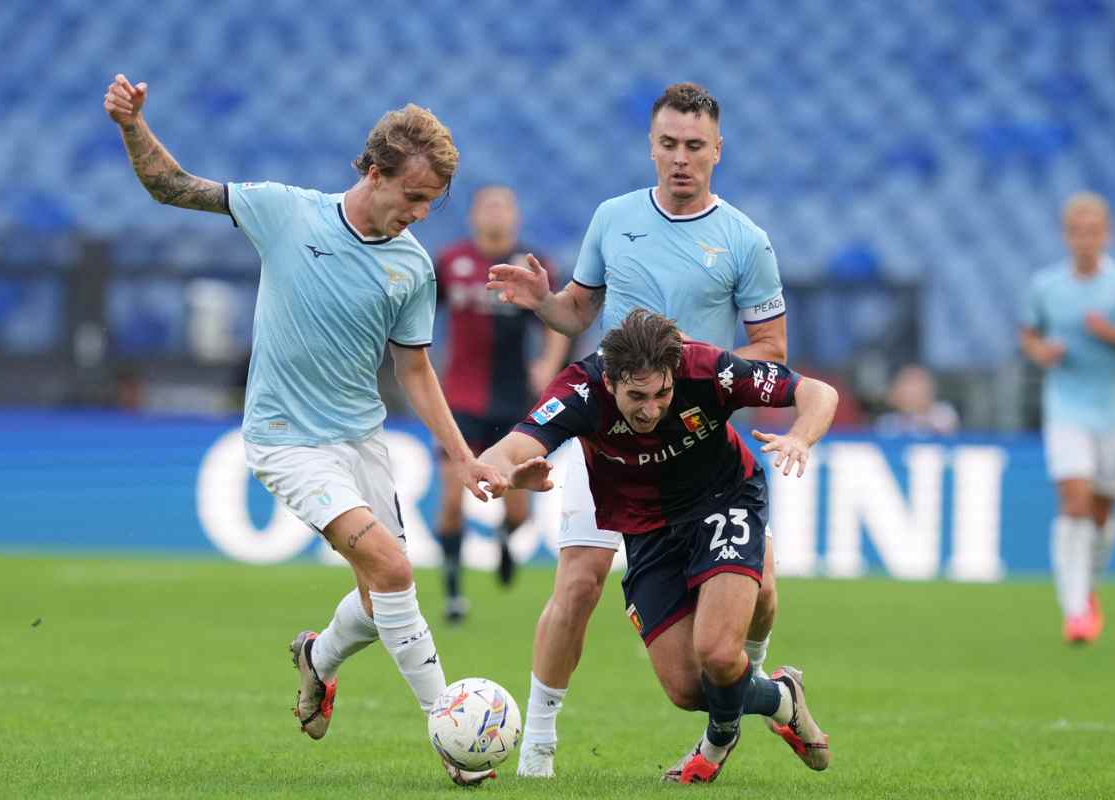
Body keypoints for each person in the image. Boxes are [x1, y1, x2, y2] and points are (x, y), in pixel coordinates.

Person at [103, 74, 507, 786]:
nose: (420, 215)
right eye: (412, 197)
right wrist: (133, 124)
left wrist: (462, 455)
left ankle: (317, 659)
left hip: (363, 443)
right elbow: (171, 186)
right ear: (374, 171)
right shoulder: (285, 212)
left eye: (431, 204)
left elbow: (415, 372)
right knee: (393, 570)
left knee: (386, 602)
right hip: (288, 439)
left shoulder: (412, 267)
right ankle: (450, 731)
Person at [487, 82, 789, 776]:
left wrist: (697, 365)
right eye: (667, 145)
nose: (679, 159)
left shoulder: (745, 239)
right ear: (650, 146)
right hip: (612, 445)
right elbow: (577, 313)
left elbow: (771, 350)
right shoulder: (614, 218)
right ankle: (536, 745)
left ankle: (747, 686)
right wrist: (543, 304)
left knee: (762, 593)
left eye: (694, 147)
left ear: (717, 151)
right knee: (580, 580)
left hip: (696, 449)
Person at [479, 310, 837, 783]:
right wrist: (503, 474)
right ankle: (781, 696)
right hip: (646, 531)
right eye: (637, 397)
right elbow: (508, 449)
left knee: (718, 654)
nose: (651, 409)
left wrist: (800, 436)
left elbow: (818, 392)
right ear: (610, 382)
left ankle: (715, 742)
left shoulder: (707, 370)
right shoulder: (580, 391)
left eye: (663, 393)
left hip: (722, 502)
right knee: (688, 689)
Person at [434, 186, 568, 622]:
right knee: (452, 499)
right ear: (473, 216)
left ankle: (506, 541)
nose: (495, 215)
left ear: (515, 215)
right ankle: (453, 592)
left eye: (503, 207)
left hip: (514, 401)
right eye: (487, 206)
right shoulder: (450, 263)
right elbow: (415, 312)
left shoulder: (532, 265)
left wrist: (547, 363)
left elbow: (557, 321)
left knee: (518, 510)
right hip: (459, 397)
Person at [1020, 191, 1115, 645]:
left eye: (1093, 232)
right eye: (1077, 232)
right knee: (1075, 500)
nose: (1085, 240)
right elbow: (1029, 333)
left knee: (1102, 510)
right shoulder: (1047, 286)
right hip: (1066, 406)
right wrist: (1043, 352)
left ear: (1107, 234)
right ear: (1067, 236)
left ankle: (1089, 586)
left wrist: (1110, 335)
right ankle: (1076, 610)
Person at [873, 364, 959, 436]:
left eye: (916, 386)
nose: (910, 393)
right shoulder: (887, 423)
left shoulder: (944, 413)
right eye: (905, 385)